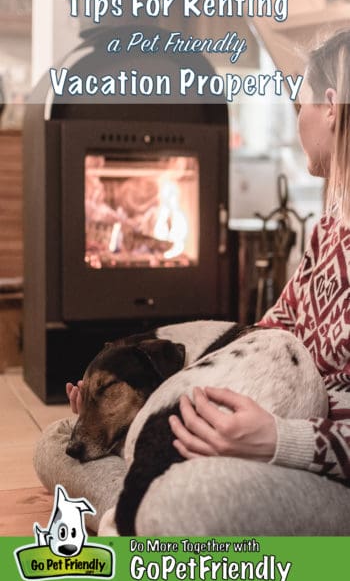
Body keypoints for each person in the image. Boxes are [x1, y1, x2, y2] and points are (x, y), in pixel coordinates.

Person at [34, 30, 350, 535]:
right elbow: (262, 337)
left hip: (325, 472)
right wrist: (122, 399)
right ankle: (140, 500)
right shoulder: (330, 231)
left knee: (183, 501)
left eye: (300, 106)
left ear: (331, 107)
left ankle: (143, 504)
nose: (299, 121)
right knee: (57, 441)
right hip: (255, 427)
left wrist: (275, 439)